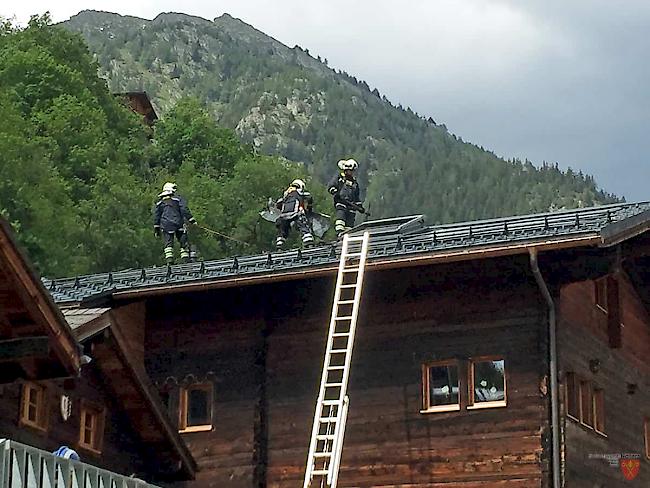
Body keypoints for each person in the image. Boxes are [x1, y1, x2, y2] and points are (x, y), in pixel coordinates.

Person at [153, 182, 197, 264]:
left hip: (166, 225)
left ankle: (169, 261)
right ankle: (185, 259)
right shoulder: (177, 200)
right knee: (183, 240)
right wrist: (192, 220)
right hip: (178, 223)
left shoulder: (159, 203)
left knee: (168, 243)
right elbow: (184, 210)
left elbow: (157, 217)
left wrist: (156, 229)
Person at [327, 159, 365, 237]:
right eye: (350, 171)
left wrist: (360, 207)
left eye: (353, 171)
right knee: (341, 220)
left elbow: (356, 197)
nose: (352, 173)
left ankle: (348, 236)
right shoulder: (340, 177)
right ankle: (339, 234)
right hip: (341, 203)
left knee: (349, 225)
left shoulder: (355, 183)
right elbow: (331, 186)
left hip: (351, 206)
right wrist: (335, 192)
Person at [275, 179, 314, 249]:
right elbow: (309, 197)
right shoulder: (299, 192)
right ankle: (308, 241)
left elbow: (278, 204)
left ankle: (280, 244)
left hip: (284, 216)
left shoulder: (285, 195)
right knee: (303, 225)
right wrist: (309, 208)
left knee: (283, 230)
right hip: (296, 213)